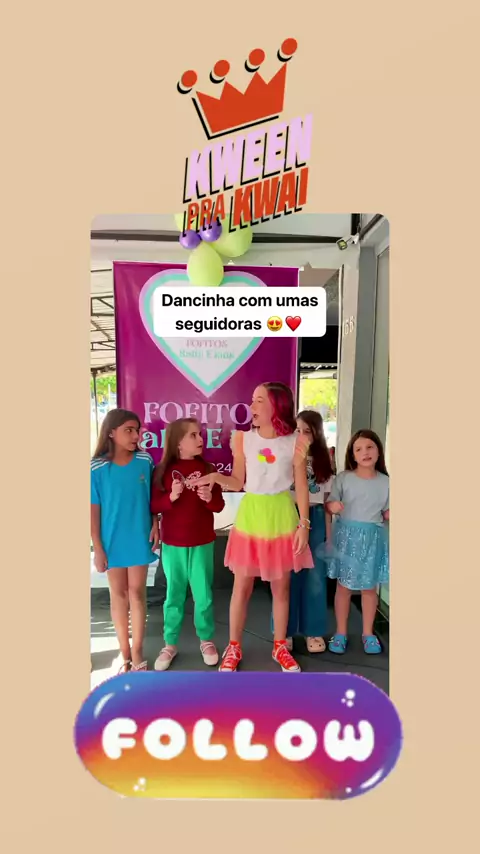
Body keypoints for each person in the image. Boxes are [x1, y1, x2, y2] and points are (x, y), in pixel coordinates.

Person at [197, 382, 313, 673]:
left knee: (281, 588)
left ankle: (279, 646)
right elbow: (237, 481)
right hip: (251, 517)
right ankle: (233, 647)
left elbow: (301, 486)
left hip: (282, 517)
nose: (251, 406)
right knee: (242, 587)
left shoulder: (296, 441)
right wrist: (215, 477)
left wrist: (304, 524)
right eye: (252, 400)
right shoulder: (243, 439)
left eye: (258, 400)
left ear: (276, 405)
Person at [150, 418, 225, 671]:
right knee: (174, 595)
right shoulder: (162, 470)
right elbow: (154, 504)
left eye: (200, 434)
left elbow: (218, 505)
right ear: (178, 443)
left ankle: (206, 640)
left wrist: (209, 498)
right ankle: (170, 643)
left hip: (202, 542)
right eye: (193, 435)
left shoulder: (209, 469)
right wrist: (171, 497)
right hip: (173, 544)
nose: (200, 439)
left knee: (203, 595)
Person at [90, 409, 159, 673]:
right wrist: (98, 547)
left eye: (137, 430)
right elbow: (93, 511)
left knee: (137, 593)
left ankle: (138, 650)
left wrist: (155, 523)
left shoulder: (145, 461)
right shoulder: (97, 468)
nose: (135, 436)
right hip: (111, 540)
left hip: (139, 536)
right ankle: (125, 654)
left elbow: (152, 499)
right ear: (111, 432)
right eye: (128, 430)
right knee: (118, 595)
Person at [325, 429, 389, 655]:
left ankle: (368, 633)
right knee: (343, 587)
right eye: (359, 449)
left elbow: (387, 511)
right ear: (352, 455)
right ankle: (340, 632)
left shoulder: (386, 482)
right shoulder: (344, 478)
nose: (365, 452)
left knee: (369, 589)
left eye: (370, 447)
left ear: (379, 451)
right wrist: (332, 506)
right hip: (347, 540)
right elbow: (330, 503)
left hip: (372, 540)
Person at [284, 410, 334, 653]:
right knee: (287, 577)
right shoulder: (285, 455)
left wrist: (329, 536)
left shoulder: (325, 460)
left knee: (315, 578)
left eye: (308, 431)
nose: (302, 435)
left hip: (315, 517)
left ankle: (314, 631)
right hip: (288, 516)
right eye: (298, 430)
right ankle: (284, 631)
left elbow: (326, 502)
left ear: (317, 434)